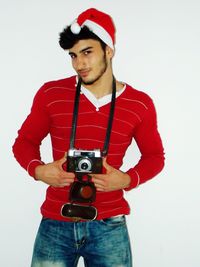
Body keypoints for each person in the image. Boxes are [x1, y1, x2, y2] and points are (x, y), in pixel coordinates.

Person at [12, 8, 165, 267]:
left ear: (109, 50)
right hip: (56, 221)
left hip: (110, 226)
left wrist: (126, 179)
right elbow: (24, 142)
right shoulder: (51, 93)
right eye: (73, 55)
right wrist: (39, 171)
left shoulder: (140, 103)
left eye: (87, 52)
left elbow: (154, 157)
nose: (79, 63)